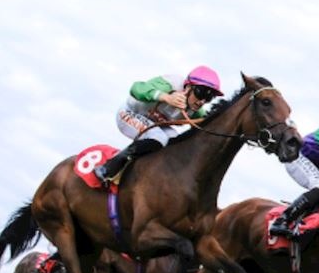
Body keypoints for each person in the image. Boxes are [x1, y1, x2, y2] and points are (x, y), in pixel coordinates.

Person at [94, 66, 223, 184]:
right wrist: (165, 97)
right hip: (130, 113)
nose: (202, 101)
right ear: (188, 86)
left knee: (175, 143)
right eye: (201, 92)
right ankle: (108, 168)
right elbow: (136, 88)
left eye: (209, 97)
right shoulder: (171, 83)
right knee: (158, 137)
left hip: (153, 124)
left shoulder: (196, 111)